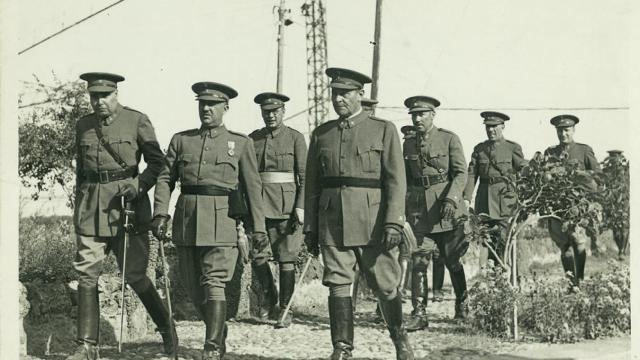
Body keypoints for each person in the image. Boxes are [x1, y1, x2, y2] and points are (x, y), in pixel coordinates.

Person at [151, 82, 267, 360]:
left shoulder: (240, 143)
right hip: (187, 221)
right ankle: (218, 330)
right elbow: (166, 179)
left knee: (214, 282)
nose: (206, 109)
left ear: (225, 108)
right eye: (202, 103)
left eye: (213, 104)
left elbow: (253, 188)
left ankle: (212, 347)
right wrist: (160, 213)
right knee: (193, 288)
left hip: (222, 221)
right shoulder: (181, 140)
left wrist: (259, 228)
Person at [304, 67, 414, 360]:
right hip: (332, 222)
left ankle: (399, 339)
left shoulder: (383, 129)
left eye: (345, 93)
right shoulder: (321, 134)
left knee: (386, 284)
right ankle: (342, 347)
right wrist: (310, 228)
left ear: (360, 95)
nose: (339, 99)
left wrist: (394, 222)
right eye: (335, 93)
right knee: (337, 283)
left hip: (373, 223)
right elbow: (313, 185)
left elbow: (395, 180)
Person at [70, 72, 175, 360]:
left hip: (127, 207)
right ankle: (87, 346)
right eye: (94, 96)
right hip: (92, 208)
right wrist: (78, 207)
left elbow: (158, 164)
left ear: (116, 94)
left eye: (104, 96)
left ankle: (166, 328)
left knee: (136, 275)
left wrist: (140, 186)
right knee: (86, 274)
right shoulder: (83, 126)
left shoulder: (137, 120)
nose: (99, 101)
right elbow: (81, 172)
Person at [401, 96, 470, 332]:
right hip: (420, 211)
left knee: (452, 260)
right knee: (419, 260)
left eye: (422, 114)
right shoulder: (408, 144)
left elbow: (461, 174)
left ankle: (462, 306)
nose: (417, 118)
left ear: (432, 115)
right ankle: (419, 313)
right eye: (414, 115)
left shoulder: (449, 139)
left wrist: (451, 198)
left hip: (446, 209)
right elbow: (407, 180)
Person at [248, 92, 307, 328]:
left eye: (275, 111)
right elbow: (249, 177)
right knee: (258, 257)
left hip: (288, 208)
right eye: (266, 112)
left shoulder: (295, 138)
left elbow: (304, 176)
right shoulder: (252, 139)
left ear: (283, 112)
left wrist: (301, 206)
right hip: (260, 207)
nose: (270, 116)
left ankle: (285, 308)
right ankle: (270, 298)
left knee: (286, 259)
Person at [462, 112, 527, 273]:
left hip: (506, 201)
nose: (491, 130)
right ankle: (490, 278)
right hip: (484, 200)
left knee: (504, 240)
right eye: (488, 127)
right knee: (485, 240)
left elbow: (524, 171)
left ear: (502, 126)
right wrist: (466, 198)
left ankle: (507, 275)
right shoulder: (479, 149)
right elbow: (471, 175)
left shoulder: (513, 148)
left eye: (494, 126)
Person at [544, 115, 601, 287]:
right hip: (557, 206)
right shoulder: (550, 152)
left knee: (579, 242)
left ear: (573, 130)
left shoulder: (584, 150)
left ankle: (580, 278)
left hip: (578, 205)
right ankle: (571, 283)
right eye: (560, 130)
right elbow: (545, 175)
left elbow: (596, 174)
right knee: (564, 245)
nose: (563, 133)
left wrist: (584, 181)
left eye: (566, 130)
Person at [602, 150, 630, 259]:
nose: (614, 159)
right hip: (612, 202)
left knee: (624, 227)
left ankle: (622, 251)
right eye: (612, 157)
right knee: (615, 229)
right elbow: (603, 185)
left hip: (624, 201)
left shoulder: (625, 169)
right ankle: (620, 249)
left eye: (616, 156)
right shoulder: (606, 170)